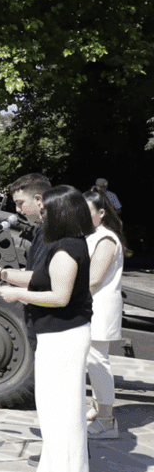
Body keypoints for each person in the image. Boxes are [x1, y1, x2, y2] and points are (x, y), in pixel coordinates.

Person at [0, 186, 94, 472]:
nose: (41, 214)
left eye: (46, 210)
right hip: (56, 335)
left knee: (64, 412)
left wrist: (16, 294)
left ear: (61, 213)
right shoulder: (61, 244)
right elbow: (40, 279)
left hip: (64, 336)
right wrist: (5, 275)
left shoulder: (66, 249)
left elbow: (59, 297)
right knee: (51, 411)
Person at [82, 188, 126, 440]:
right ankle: (99, 409)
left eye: (87, 211)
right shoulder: (94, 235)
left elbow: (93, 278)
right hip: (93, 305)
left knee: (97, 363)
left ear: (101, 213)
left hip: (100, 307)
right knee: (93, 362)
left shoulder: (106, 238)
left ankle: (107, 421)